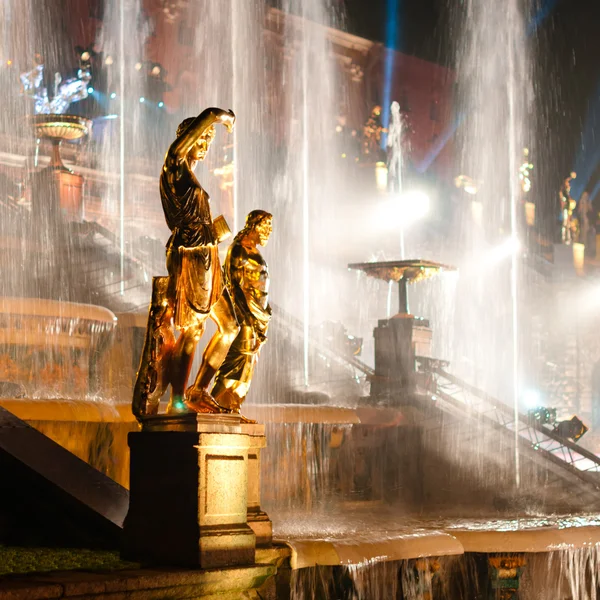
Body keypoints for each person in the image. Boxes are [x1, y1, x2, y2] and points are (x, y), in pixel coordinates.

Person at [132, 107, 240, 419]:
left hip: (209, 258)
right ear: (186, 139)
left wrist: (215, 232)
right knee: (193, 331)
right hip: (189, 257)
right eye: (201, 137)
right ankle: (177, 400)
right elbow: (180, 150)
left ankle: (199, 389)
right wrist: (216, 115)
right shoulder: (175, 168)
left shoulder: (190, 176)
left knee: (230, 326)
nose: (205, 143)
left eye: (209, 139)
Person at [211, 210, 273, 417]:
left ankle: (232, 408)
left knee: (248, 364)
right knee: (236, 360)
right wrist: (244, 315)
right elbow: (231, 286)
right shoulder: (238, 250)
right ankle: (214, 402)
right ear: (254, 225)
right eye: (266, 225)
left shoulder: (255, 251)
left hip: (258, 315)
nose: (269, 230)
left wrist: (265, 311)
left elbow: (260, 285)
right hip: (243, 314)